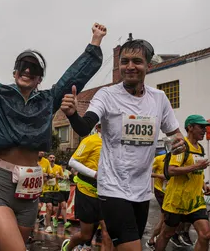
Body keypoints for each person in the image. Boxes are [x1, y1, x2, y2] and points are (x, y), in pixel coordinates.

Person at [0, 0, 106, 251]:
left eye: (34, 69)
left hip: (30, 193)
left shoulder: (48, 100)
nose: (27, 71)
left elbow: (74, 76)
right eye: (22, 67)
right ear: (14, 72)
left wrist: (95, 43)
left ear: (39, 78)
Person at [61, 38, 186, 251]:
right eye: (124, 61)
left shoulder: (159, 98)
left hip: (142, 191)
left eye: (136, 61)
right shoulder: (107, 95)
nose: (130, 67)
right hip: (112, 189)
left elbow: (175, 134)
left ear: (148, 65)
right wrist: (73, 115)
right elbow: (85, 126)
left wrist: (179, 143)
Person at [156, 115, 210, 251]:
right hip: (176, 201)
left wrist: (203, 185)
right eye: (201, 127)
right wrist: (196, 167)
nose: (204, 130)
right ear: (190, 127)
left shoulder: (200, 148)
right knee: (167, 234)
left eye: (205, 127)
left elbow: (198, 172)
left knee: (205, 235)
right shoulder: (181, 146)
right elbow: (171, 170)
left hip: (195, 202)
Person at [62, 124, 113, 251]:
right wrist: (95, 174)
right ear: (98, 127)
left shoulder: (115, 143)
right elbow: (72, 162)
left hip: (105, 193)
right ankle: (68, 247)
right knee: (86, 236)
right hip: (86, 191)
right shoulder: (91, 140)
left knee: (107, 233)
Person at [42, 154, 63, 233]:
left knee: (54, 210)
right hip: (47, 190)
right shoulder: (46, 166)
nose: (52, 159)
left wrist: (59, 177)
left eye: (53, 157)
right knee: (49, 207)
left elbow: (63, 177)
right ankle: (48, 226)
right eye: (50, 157)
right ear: (48, 159)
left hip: (55, 190)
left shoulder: (58, 167)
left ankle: (46, 217)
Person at [56, 161, 72, 230]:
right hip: (59, 190)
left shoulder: (68, 172)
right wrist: (60, 177)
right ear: (60, 165)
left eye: (65, 165)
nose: (63, 167)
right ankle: (65, 222)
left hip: (67, 190)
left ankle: (55, 218)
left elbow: (72, 178)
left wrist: (70, 178)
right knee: (63, 206)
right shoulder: (57, 171)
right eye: (62, 165)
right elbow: (55, 177)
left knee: (60, 207)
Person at [38, 151, 52, 228]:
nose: (42, 152)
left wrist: (47, 175)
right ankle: (39, 217)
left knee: (50, 206)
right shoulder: (31, 159)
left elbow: (51, 174)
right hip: (35, 188)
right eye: (40, 150)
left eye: (43, 151)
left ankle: (48, 226)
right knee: (38, 207)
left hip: (45, 188)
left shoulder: (46, 161)